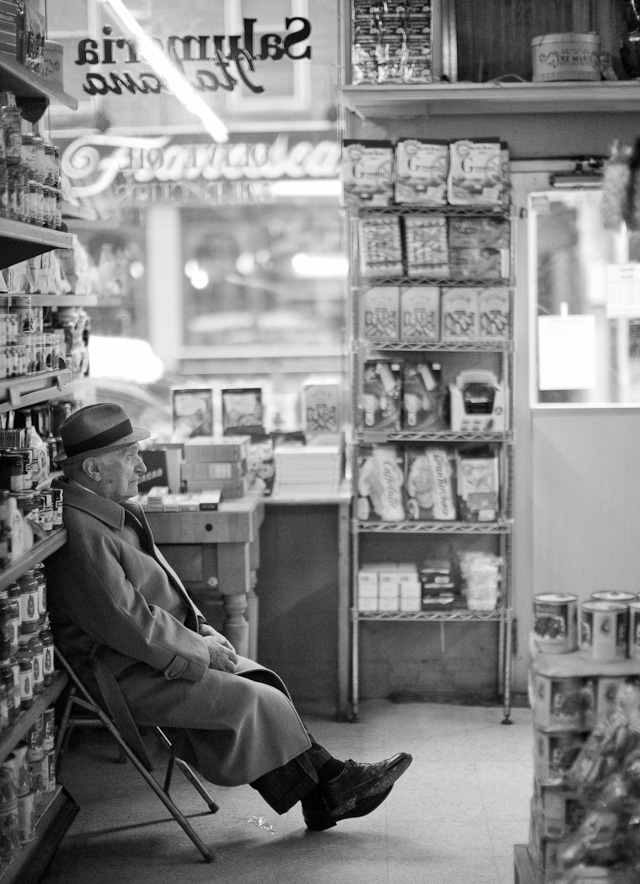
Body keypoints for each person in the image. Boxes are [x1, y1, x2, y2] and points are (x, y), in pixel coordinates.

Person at [44, 403, 412, 831]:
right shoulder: (85, 533)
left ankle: (327, 791)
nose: (142, 465)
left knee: (261, 680)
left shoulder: (109, 510)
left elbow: (163, 588)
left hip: (155, 653)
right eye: (129, 455)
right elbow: (130, 624)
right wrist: (198, 647)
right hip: (125, 671)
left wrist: (202, 631)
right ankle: (329, 788)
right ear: (92, 467)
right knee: (259, 699)